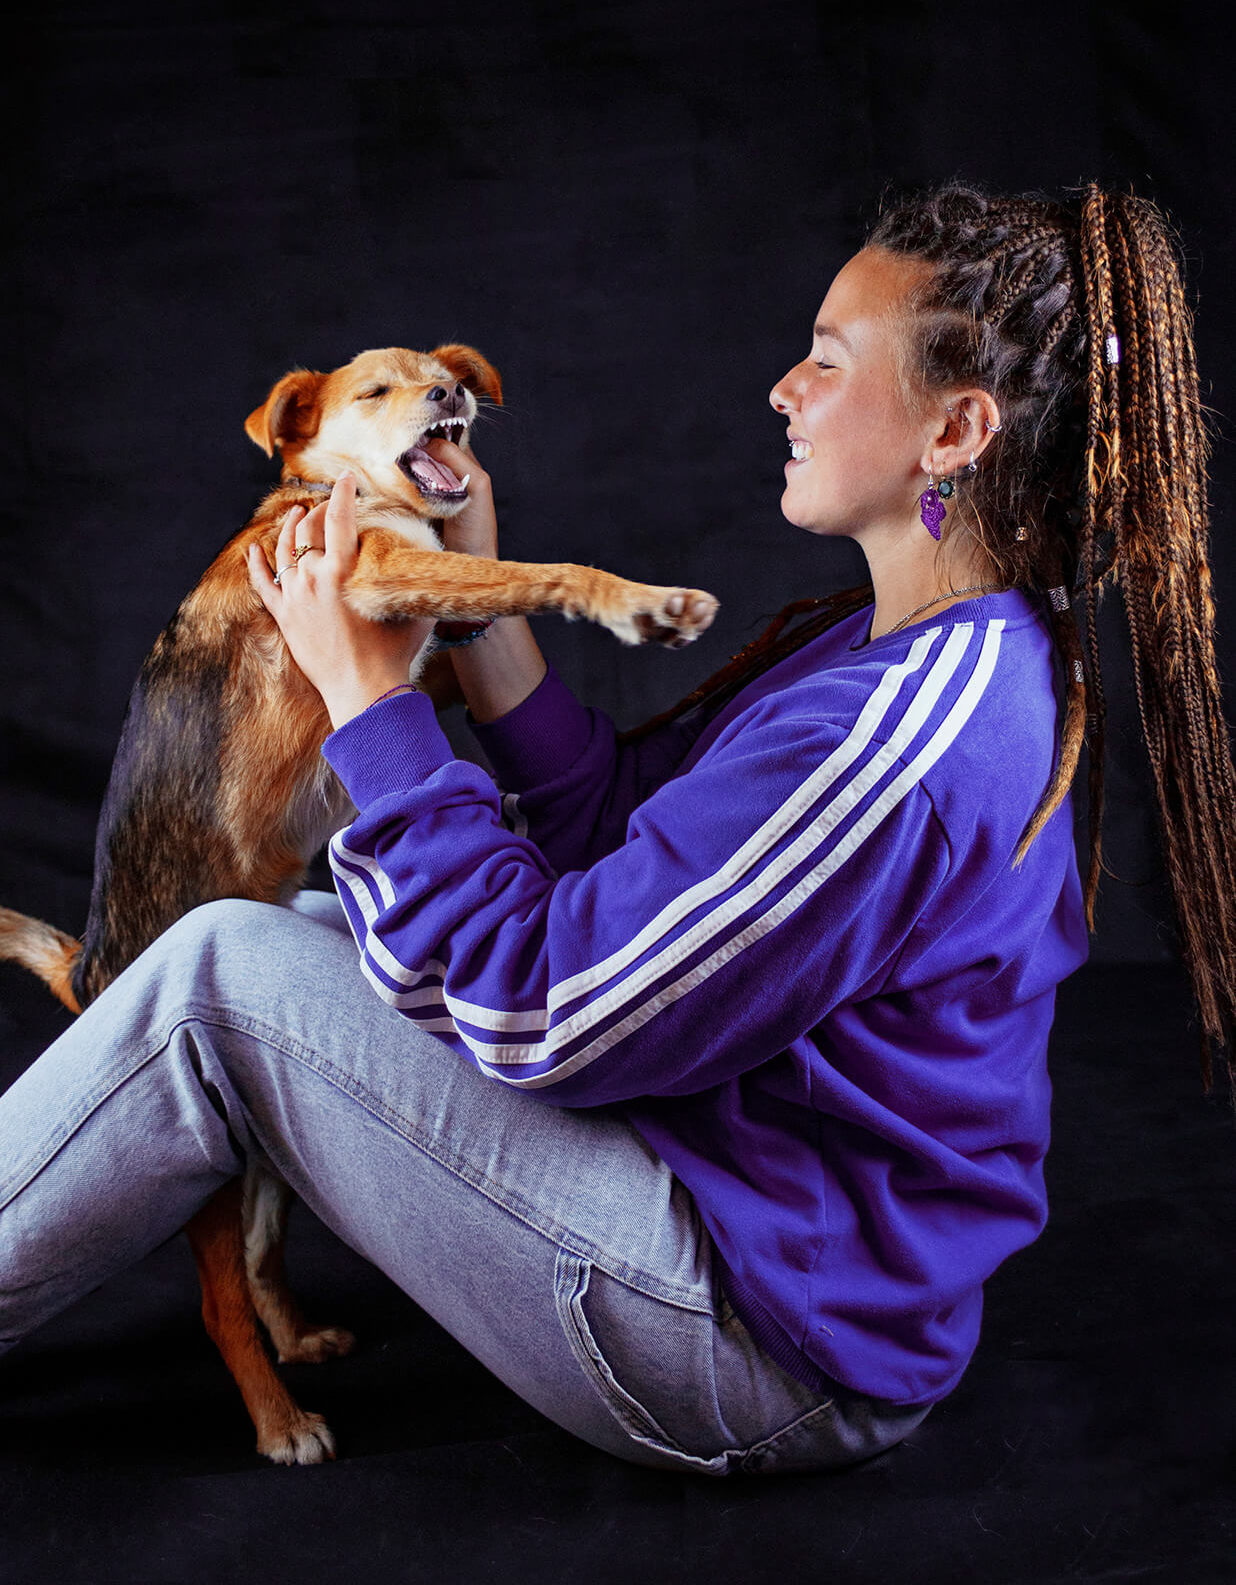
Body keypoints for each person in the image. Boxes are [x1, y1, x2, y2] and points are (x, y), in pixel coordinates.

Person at [2, 182, 1233, 1475]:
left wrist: (369, 699)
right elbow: (616, 844)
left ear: (956, 430)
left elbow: (542, 1009)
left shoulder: (900, 735)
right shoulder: (885, 652)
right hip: (730, 1200)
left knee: (219, 970)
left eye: (826, 359)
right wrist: (474, 598)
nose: (783, 389)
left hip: (758, 1346)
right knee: (296, 928)